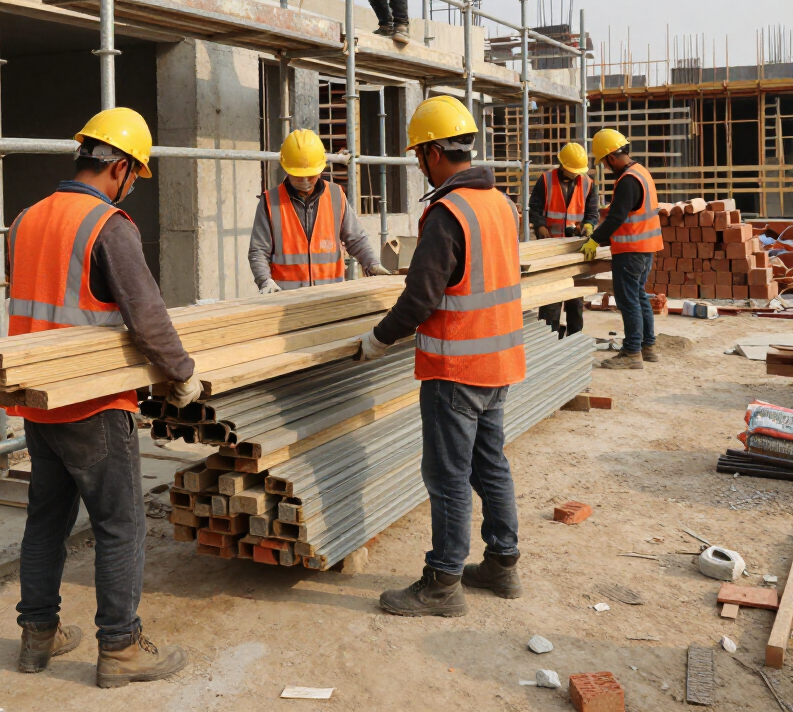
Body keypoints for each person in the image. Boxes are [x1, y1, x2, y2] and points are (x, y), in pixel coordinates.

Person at [7, 108, 196, 688]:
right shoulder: (107, 226)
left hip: (39, 404)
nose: (130, 186)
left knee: (45, 522)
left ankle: (38, 637)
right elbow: (148, 317)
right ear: (116, 167)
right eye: (132, 175)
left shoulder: (26, 219)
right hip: (94, 404)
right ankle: (119, 648)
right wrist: (181, 373)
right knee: (120, 525)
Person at [355, 96, 525, 616]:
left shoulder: (447, 212)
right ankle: (502, 564)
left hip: (456, 369)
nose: (416, 165)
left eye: (416, 156)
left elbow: (420, 297)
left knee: (447, 476)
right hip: (498, 362)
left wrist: (378, 339)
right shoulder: (500, 204)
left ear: (432, 153)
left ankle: (443, 583)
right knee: (490, 465)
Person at [248, 128, 389, 292]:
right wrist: (265, 281)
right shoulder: (270, 202)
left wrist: (371, 263)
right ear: (286, 168)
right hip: (286, 302)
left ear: (321, 169)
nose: (305, 181)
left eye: (311, 175)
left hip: (330, 300)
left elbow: (356, 239)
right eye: (299, 176)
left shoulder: (336, 196)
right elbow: (258, 251)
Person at [581, 129, 663, 368]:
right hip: (645, 248)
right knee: (639, 298)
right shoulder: (641, 173)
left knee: (628, 301)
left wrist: (595, 239)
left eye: (605, 163)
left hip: (630, 250)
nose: (606, 168)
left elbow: (618, 217)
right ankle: (647, 346)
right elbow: (628, 210)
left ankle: (631, 353)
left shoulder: (627, 180)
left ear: (610, 157)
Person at [529, 141, 598, 338]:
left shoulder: (587, 183)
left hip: (574, 249)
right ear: (563, 165)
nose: (577, 174)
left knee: (575, 298)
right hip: (550, 250)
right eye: (573, 170)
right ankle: (548, 337)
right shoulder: (546, 180)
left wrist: (588, 226)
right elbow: (535, 208)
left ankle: (575, 338)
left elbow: (592, 212)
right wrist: (540, 226)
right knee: (550, 298)